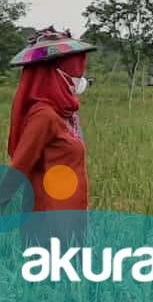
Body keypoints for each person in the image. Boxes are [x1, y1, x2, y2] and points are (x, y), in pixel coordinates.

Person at [5, 28, 95, 244]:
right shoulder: (44, 116)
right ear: (56, 75)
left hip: (70, 218)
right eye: (75, 75)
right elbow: (18, 169)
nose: (79, 80)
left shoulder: (65, 114)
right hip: (49, 224)